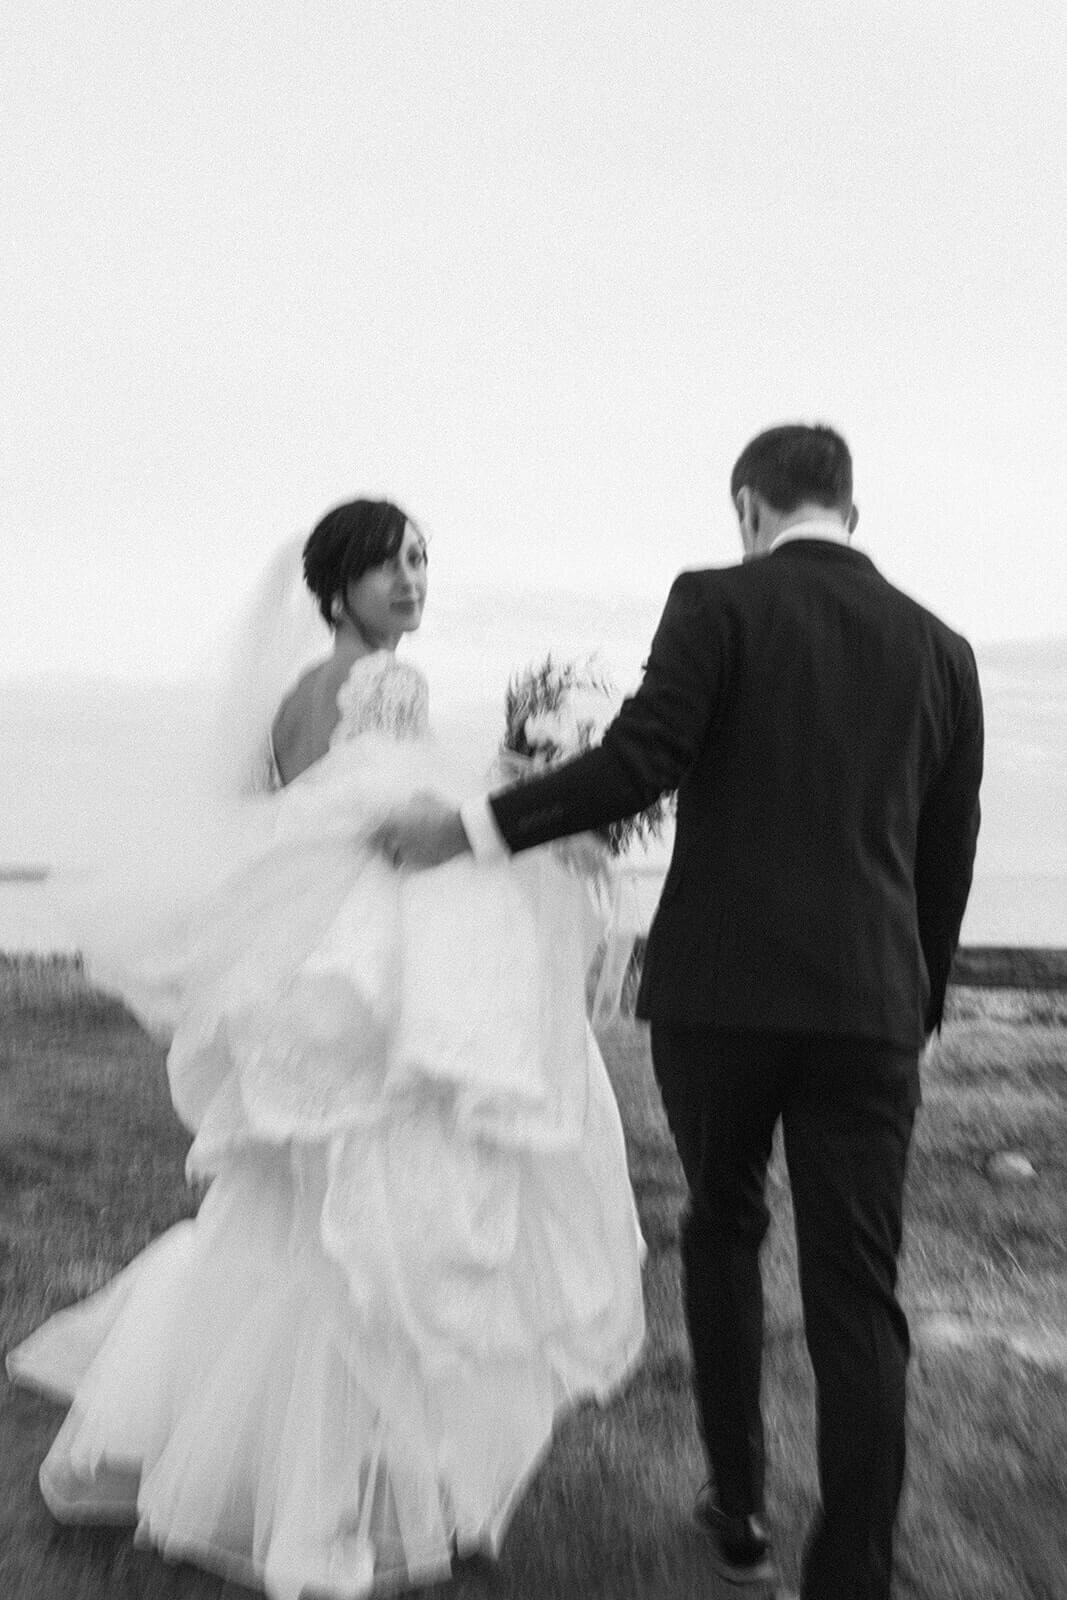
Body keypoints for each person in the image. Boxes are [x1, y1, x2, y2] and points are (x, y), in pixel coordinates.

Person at [376, 426, 984, 1600]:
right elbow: (944, 849)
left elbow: (640, 759)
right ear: (847, 507)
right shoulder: (942, 650)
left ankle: (738, 1505)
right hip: (868, 1006)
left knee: (721, 1226)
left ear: (749, 504)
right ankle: (850, 1572)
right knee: (856, 1289)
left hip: (719, 995)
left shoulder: (715, 601)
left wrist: (470, 829)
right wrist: (917, 994)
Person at [6, 498, 645, 1600]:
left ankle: (255, 1470)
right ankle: (320, 1514)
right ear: (337, 583)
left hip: (304, 983)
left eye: (421, 562)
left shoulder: (288, 700)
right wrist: (516, 813)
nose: (412, 581)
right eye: (391, 564)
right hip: (366, 988)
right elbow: (390, 826)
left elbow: (294, 827)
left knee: (292, 1230)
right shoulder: (379, 686)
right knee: (364, 1241)